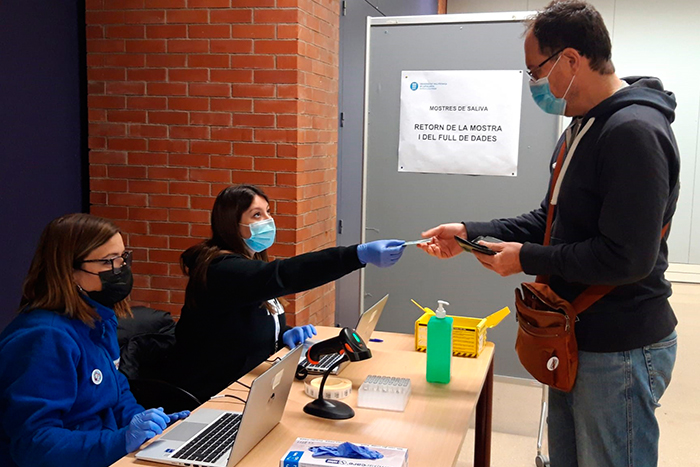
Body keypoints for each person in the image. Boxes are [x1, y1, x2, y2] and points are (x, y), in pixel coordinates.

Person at [419, 2, 679, 466]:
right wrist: (469, 233)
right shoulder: (582, 127)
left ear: (571, 60)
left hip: (619, 347)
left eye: (536, 71)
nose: (535, 83)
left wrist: (527, 259)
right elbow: (549, 220)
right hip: (574, 336)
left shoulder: (633, 131)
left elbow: (627, 258)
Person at [171, 184, 405, 402]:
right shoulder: (222, 270)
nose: (268, 220)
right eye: (256, 215)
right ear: (231, 224)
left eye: (268, 212)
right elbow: (286, 274)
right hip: (214, 394)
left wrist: (282, 334)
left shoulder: (247, 265)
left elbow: (238, 328)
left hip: (250, 382)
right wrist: (355, 255)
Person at [0, 214, 189, 467]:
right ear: (69, 271)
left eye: (122, 258)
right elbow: (35, 444)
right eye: (108, 261)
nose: (120, 269)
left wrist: (149, 428)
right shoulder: (44, 339)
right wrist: (120, 441)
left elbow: (116, 392)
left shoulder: (98, 318)